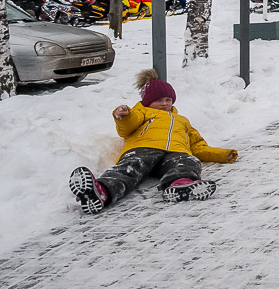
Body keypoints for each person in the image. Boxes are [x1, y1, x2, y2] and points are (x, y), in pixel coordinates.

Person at [68, 69, 238, 214]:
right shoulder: (142, 112)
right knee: (128, 169)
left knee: (188, 161)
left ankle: (180, 184)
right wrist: (124, 116)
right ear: (148, 102)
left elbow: (198, 146)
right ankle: (102, 191)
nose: (164, 104)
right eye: (159, 101)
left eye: (168, 100)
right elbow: (128, 126)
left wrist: (222, 154)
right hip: (144, 149)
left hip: (175, 153)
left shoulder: (182, 120)